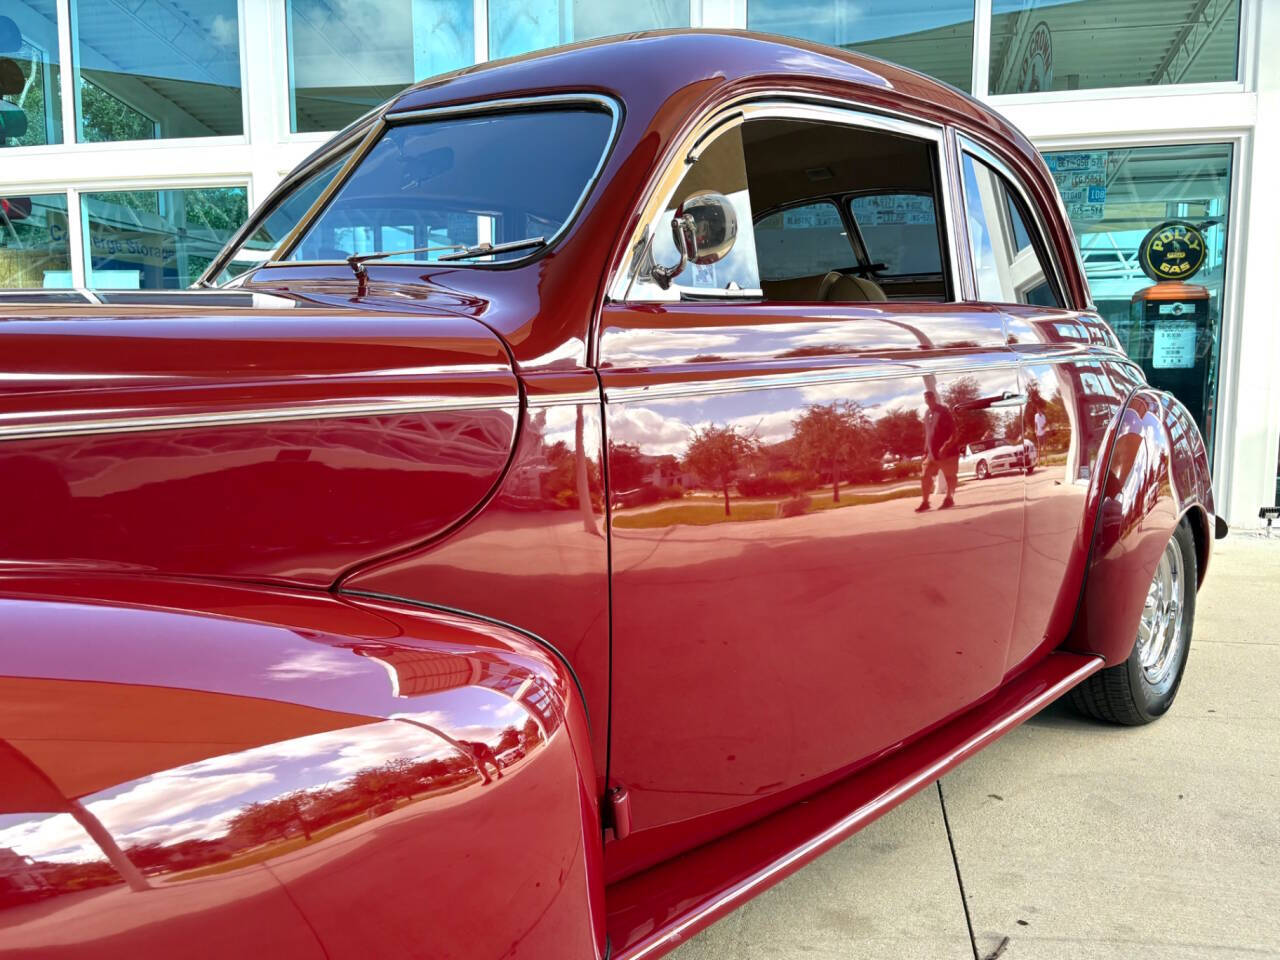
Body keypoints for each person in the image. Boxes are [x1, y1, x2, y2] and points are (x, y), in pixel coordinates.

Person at [917, 389, 959, 512]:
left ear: (934, 398)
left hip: (947, 453)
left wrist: (946, 446)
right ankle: (925, 502)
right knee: (924, 476)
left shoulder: (943, 411)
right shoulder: (926, 413)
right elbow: (928, 434)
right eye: (926, 397)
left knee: (950, 476)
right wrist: (925, 451)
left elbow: (954, 432)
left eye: (930, 397)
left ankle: (949, 498)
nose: (928, 399)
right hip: (931, 454)